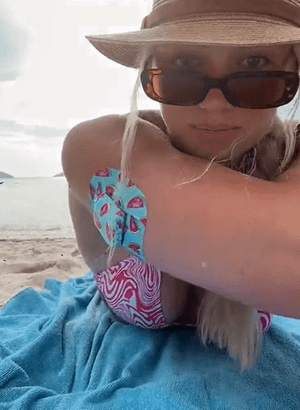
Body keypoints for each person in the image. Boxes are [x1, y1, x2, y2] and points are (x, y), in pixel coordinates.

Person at [62, 0, 300, 370]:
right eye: (185, 65)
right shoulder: (99, 148)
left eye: (255, 66)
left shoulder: (287, 154)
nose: (214, 104)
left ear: (294, 70)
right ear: (150, 69)